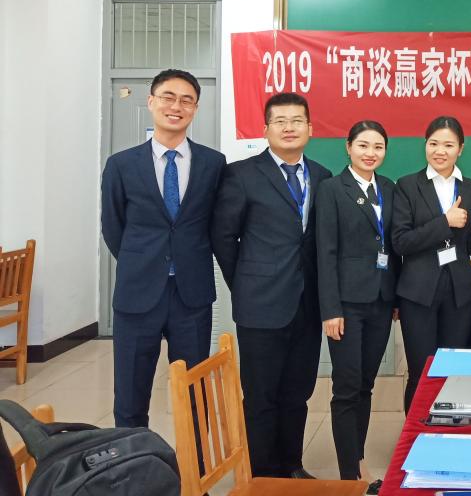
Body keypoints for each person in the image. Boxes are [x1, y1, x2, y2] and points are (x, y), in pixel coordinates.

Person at [211, 92, 331, 479]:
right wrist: (246, 283)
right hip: (260, 304)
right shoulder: (242, 174)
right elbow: (223, 237)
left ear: (310, 128)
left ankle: (292, 466)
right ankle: (262, 474)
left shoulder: (323, 176)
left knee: (298, 392)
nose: (289, 128)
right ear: (266, 129)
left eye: (297, 121)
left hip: (307, 303)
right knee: (261, 395)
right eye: (280, 121)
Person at [100, 69, 225, 429]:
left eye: (187, 100)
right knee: (130, 394)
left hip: (191, 295)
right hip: (138, 294)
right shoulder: (122, 165)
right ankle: (135, 461)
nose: (176, 106)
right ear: (152, 101)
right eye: (168, 97)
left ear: (195, 108)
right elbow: (113, 227)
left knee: (194, 393)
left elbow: (216, 224)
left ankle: (195, 462)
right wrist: (143, 263)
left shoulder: (213, 164)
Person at [392, 116, 471, 412]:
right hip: (418, 293)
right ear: (425, 145)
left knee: (454, 371)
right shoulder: (407, 186)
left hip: (459, 293)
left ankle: (449, 431)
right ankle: (416, 434)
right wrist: (445, 222)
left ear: (461, 149)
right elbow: (401, 241)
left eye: (448, 145)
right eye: (434, 144)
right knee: (421, 372)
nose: (440, 151)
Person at [316, 120, 401, 487]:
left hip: (381, 300)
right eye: (363, 145)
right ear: (348, 147)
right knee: (347, 388)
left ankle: (359, 461)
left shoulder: (389, 188)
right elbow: (325, 252)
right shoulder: (332, 189)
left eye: (378, 147)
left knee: (366, 384)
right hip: (346, 304)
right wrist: (330, 309)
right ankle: (348, 475)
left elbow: (394, 246)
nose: (370, 153)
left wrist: (396, 297)